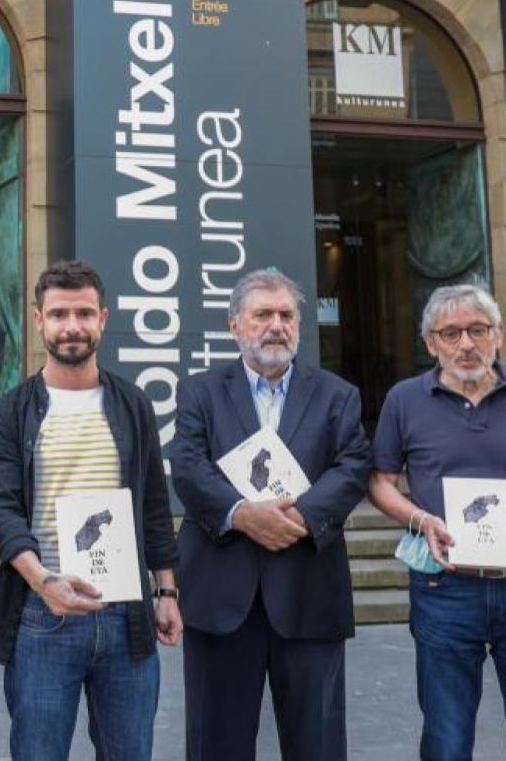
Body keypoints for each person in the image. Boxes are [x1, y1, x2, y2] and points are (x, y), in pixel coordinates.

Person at [368, 284, 506, 761]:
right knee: (446, 742)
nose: (466, 344)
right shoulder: (405, 399)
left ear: (498, 335)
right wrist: (419, 518)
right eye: (450, 333)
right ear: (430, 343)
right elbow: (379, 482)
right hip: (444, 590)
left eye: (477, 330)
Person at [0, 260, 181, 761]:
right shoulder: (9, 412)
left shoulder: (133, 404)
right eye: (60, 313)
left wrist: (168, 590)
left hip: (126, 615)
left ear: (103, 319)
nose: (73, 326)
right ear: (38, 319)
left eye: (84, 313)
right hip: (44, 615)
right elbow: (4, 513)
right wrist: (44, 582)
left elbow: (154, 503)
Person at [169, 268, 371, 761]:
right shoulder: (200, 391)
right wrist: (241, 514)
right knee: (216, 744)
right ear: (234, 324)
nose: (275, 325)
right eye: (262, 314)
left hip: (309, 593)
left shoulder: (337, 394)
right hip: (220, 598)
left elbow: (352, 466)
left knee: (317, 745)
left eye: (286, 315)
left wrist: (296, 519)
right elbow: (189, 466)